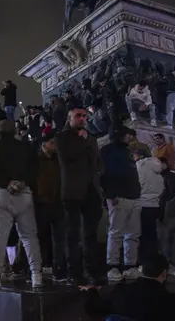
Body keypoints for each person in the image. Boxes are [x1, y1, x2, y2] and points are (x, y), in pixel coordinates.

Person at [0, 120, 42, 289]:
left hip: (2, 193)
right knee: (29, 237)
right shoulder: (26, 147)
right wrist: (22, 182)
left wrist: (6, 182)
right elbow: (36, 168)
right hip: (24, 194)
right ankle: (37, 275)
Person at [56, 108, 104, 285]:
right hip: (73, 191)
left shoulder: (90, 138)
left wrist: (99, 171)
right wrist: (82, 141)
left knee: (91, 234)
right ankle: (74, 272)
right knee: (73, 234)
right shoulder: (62, 138)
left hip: (92, 190)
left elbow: (97, 159)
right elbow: (67, 158)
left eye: (84, 116)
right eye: (78, 116)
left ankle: (92, 270)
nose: (83, 119)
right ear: (69, 119)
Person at [82, 253, 175, 321]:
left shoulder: (121, 292)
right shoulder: (173, 303)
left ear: (142, 271)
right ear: (164, 274)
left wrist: (92, 291)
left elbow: (93, 308)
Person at [100, 126, 142, 281]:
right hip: (118, 197)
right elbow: (104, 174)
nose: (130, 138)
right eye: (127, 135)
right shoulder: (107, 151)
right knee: (116, 233)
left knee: (133, 234)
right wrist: (110, 194)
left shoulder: (127, 151)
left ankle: (130, 265)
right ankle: (113, 266)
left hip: (134, 196)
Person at [34, 131, 67, 282]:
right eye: (52, 143)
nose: (55, 146)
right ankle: (38, 267)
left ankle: (58, 267)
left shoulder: (58, 160)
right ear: (44, 144)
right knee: (41, 237)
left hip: (58, 202)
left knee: (59, 238)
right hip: (41, 203)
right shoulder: (36, 160)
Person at [133, 147, 166, 264]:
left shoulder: (140, 166)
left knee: (141, 235)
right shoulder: (158, 168)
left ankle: (143, 262)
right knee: (152, 234)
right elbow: (162, 188)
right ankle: (153, 260)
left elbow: (138, 184)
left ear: (140, 155)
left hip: (142, 204)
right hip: (155, 204)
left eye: (134, 156)